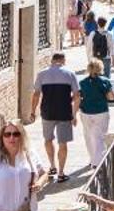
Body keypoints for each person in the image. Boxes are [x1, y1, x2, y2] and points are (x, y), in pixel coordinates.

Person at [34, 52, 81, 180]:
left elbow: (36, 94)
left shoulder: (42, 74)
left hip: (47, 112)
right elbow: (77, 96)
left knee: (48, 140)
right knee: (63, 143)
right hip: (64, 112)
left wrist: (33, 111)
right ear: (63, 60)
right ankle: (61, 173)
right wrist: (74, 114)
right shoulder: (70, 74)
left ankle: (52, 166)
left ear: (52, 60)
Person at [77, 58, 114, 169]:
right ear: (100, 68)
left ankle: (92, 159)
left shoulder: (82, 82)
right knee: (100, 137)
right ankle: (97, 162)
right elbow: (111, 96)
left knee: (88, 136)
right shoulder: (105, 81)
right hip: (101, 112)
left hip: (85, 112)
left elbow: (79, 98)